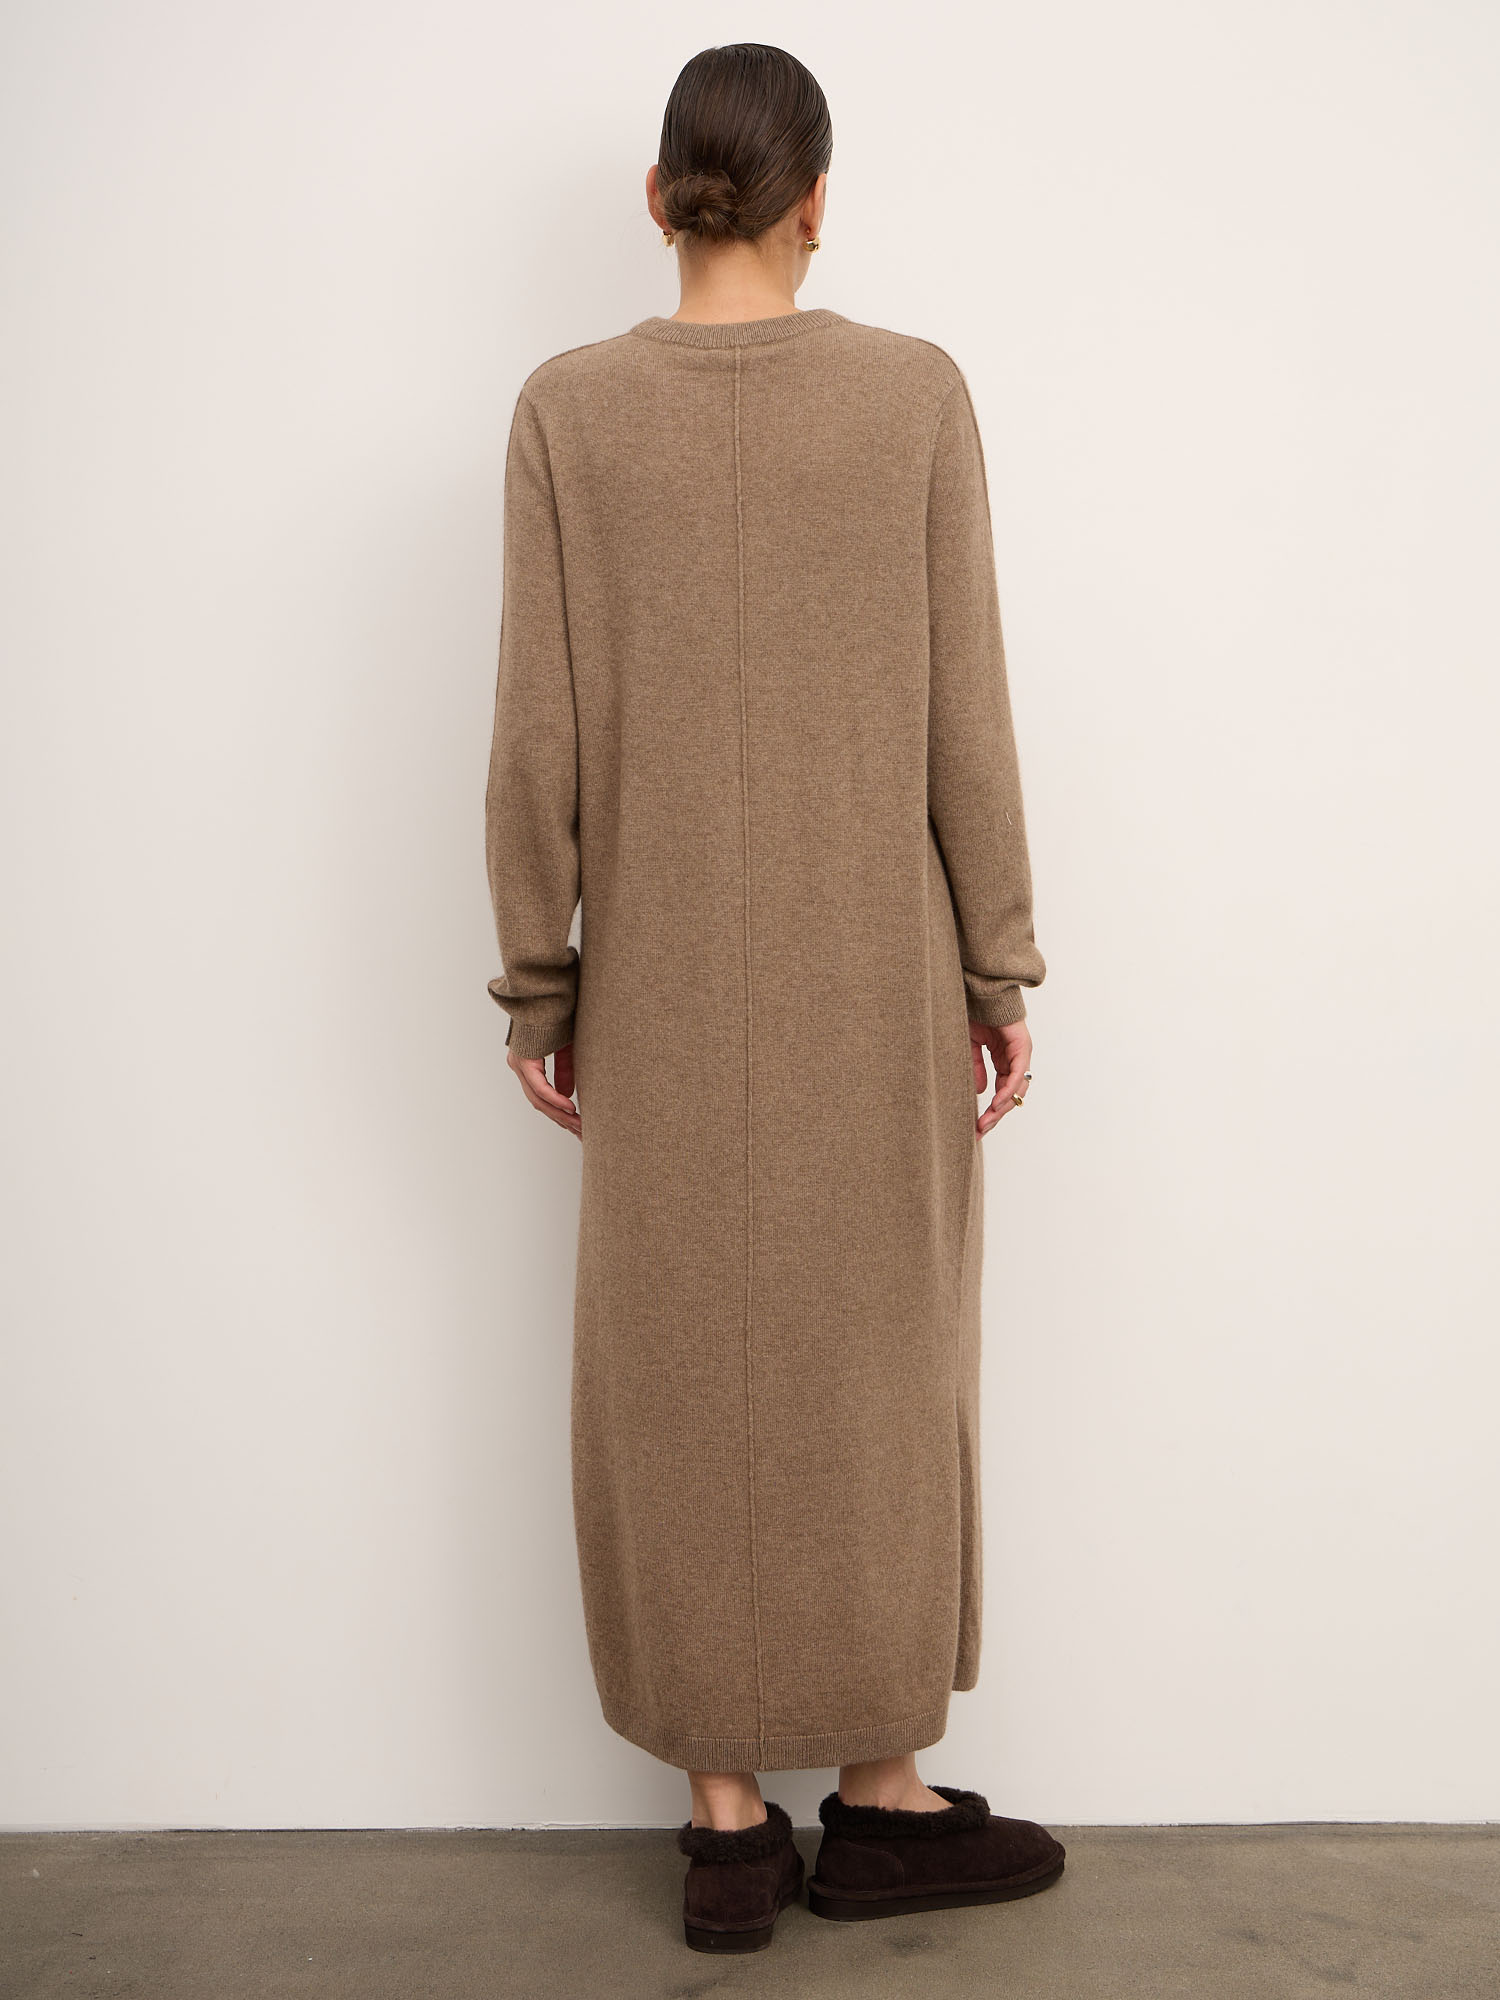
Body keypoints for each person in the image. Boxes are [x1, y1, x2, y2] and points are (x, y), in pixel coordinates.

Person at [484, 42, 1063, 1954]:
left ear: (661, 199)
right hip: (873, 971)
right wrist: (997, 963)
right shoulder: (913, 398)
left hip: (656, 984)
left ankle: (729, 1827)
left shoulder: (569, 413)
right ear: (820, 201)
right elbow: (966, 715)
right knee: (882, 1364)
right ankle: (882, 1800)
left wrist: (542, 984)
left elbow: (537, 740)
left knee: (673, 1366)